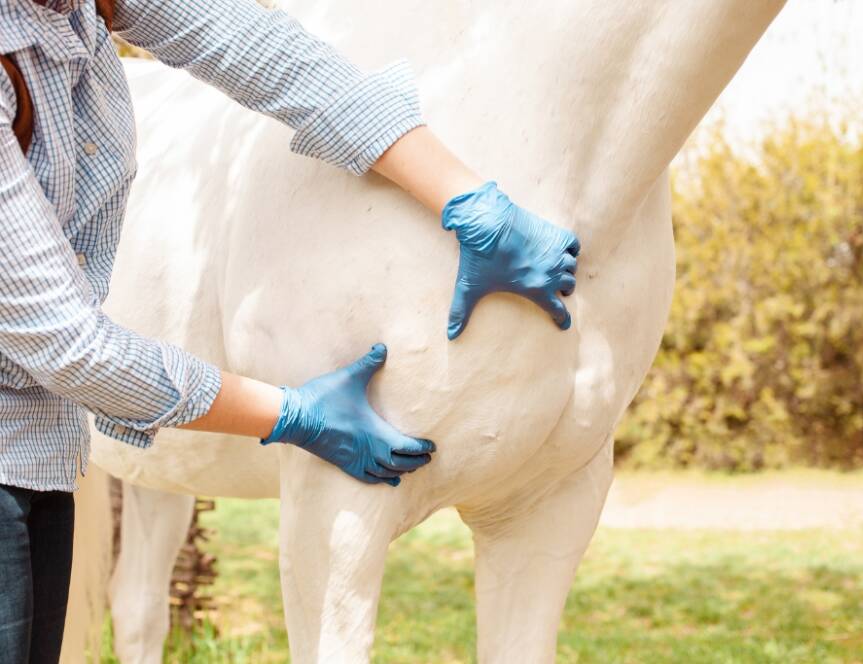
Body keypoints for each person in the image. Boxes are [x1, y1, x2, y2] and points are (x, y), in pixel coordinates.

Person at [0, 0, 580, 660]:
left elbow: (270, 55)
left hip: (37, 456)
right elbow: (66, 343)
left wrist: (466, 196)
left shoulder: (79, 7)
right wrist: (296, 414)